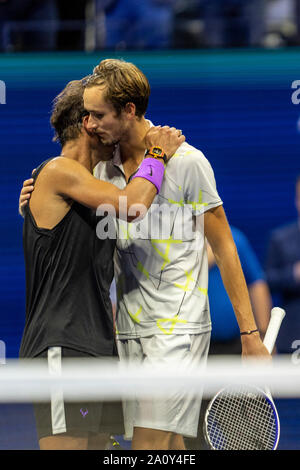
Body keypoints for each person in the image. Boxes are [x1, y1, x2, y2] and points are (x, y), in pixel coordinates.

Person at [20, 58, 270, 451]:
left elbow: (224, 245)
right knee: (164, 448)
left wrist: (249, 334)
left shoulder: (188, 162)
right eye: (85, 115)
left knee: (148, 448)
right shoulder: (99, 173)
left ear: (129, 111)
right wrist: (34, 203)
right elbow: (97, 212)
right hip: (122, 336)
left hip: (177, 331)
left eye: (97, 114)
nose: (88, 122)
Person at [18, 77, 184, 451]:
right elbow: (133, 205)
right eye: (99, 115)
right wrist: (157, 154)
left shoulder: (85, 187)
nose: (118, 131)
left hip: (98, 348)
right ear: (87, 124)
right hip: (62, 346)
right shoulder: (59, 171)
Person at [265, 175, 300, 354]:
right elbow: (266, 281)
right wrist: (293, 274)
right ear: (296, 199)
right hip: (292, 332)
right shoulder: (280, 238)